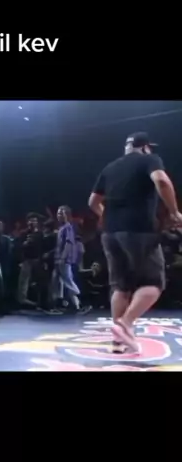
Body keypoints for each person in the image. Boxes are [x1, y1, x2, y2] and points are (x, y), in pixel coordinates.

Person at [88, 131, 182, 352]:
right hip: (139, 230)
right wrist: (175, 212)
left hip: (110, 232)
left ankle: (118, 342)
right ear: (145, 147)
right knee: (153, 284)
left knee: (121, 286)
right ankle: (125, 323)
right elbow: (161, 180)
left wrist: (108, 218)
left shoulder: (110, 168)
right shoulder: (149, 159)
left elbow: (92, 202)